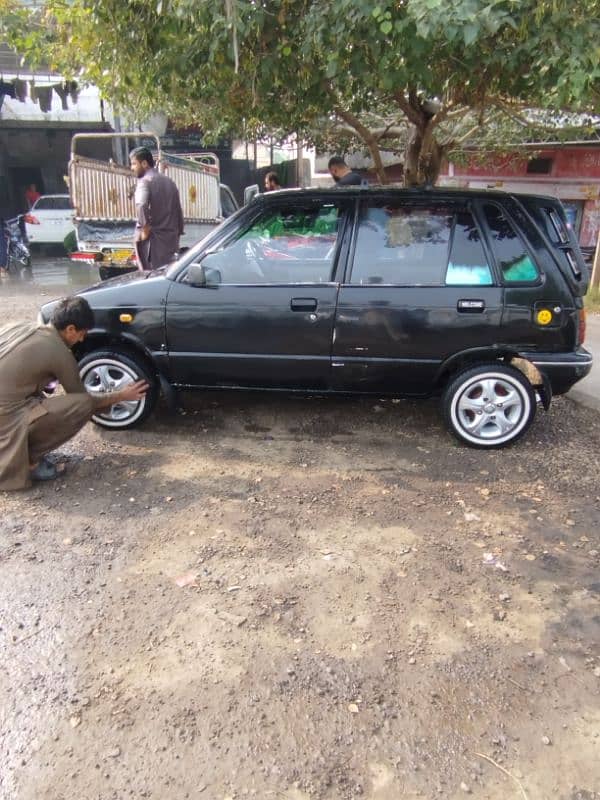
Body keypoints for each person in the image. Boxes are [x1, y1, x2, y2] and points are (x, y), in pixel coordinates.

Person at [0, 296, 148, 491]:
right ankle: (28, 461)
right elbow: (84, 400)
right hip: (6, 418)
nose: (82, 339)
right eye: (82, 333)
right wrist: (120, 396)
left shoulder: (22, 327)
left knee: (40, 400)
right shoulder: (57, 351)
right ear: (70, 329)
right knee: (81, 405)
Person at [129, 146, 184, 271]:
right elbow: (178, 211)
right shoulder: (170, 182)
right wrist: (178, 233)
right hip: (171, 242)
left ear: (144, 163)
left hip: (152, 245)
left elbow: (141, 205)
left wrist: (145, 228)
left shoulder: (144, 182)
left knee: (150, 281)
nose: (132, 168)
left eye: (133, 164)